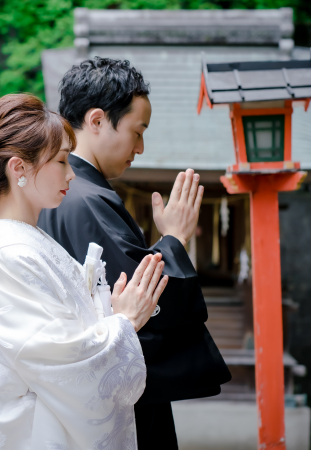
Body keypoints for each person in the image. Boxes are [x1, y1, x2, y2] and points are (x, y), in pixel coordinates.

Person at [0, 93, 169, 450]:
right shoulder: (12, 261)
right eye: (62, 161)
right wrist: (123, 322)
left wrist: (108, 312)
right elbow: (66, 360)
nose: (72, 173)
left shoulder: (27, 249)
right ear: (19, 169)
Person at [38, 57, 232, 450]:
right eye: (137, 131)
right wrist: (174, 239)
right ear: (96, 121)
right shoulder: (84, 199)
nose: (140, 148)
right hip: (113, 406)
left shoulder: (68, 193)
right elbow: (140, 310)